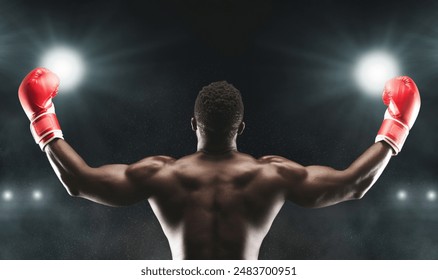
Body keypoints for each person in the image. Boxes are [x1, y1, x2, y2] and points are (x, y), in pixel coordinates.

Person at [18, 67, 421, 260]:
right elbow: (354, 184)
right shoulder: (272, 173)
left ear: (193, 124)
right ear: (241, 126)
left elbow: (79, 181)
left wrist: (43, 117)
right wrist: (395, 126)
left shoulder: (162, 173)